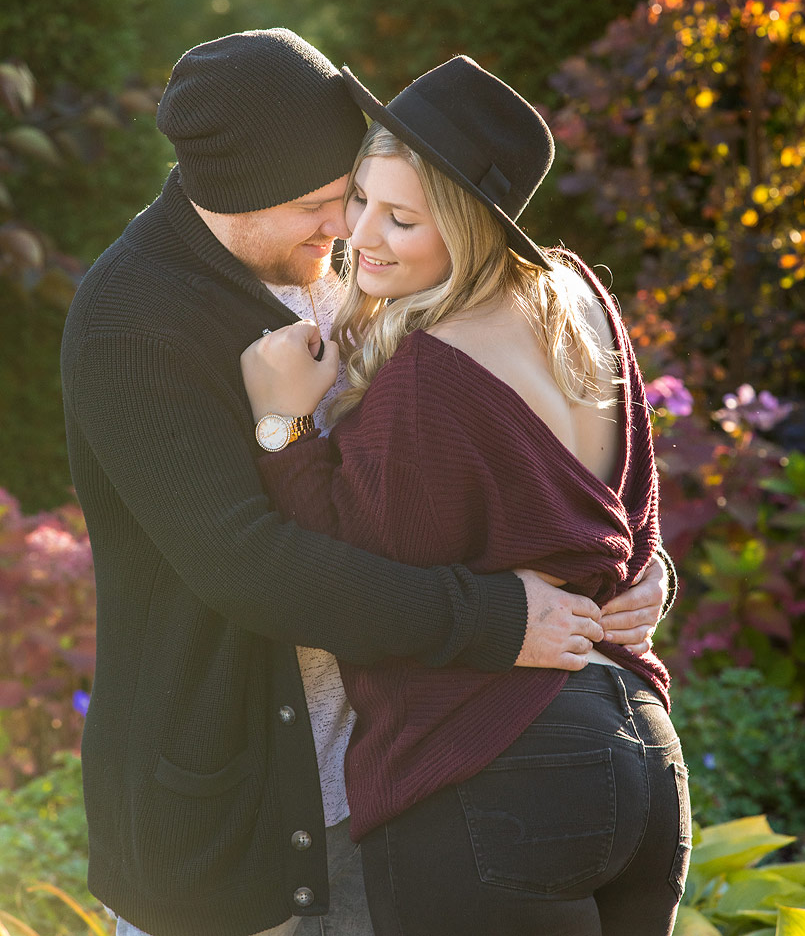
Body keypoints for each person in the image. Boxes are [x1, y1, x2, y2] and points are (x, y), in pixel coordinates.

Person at [60, 29, 674, 936]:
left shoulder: (345, 270)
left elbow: (507, 449)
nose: (343, 228)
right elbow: (245, 563)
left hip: (387, 779)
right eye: (319, 205)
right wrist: (499, 619)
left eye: (348, 195)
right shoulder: (131, 325)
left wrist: (636, 564)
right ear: (226, 195)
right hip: (233, 817)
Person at [239, 54, 690, 936]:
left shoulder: (430, 376)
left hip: (497, 765)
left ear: (471, 228)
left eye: (401, 218)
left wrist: (281, 428)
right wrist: (653, 570)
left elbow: (344, 571)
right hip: (641, 751)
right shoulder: (579, 302)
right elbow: (612, 499)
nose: (360, 235)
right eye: (361, 198)